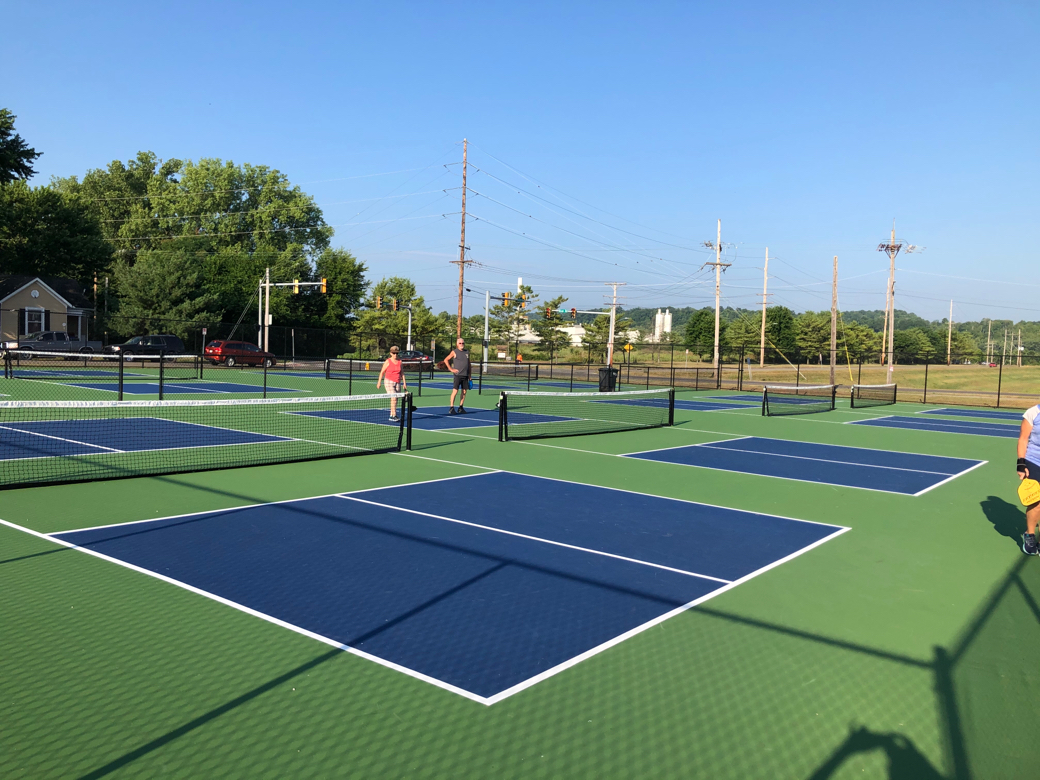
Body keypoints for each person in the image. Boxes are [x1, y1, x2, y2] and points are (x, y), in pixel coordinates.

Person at [1017, 404, 1040, 554]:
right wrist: (1021, 463)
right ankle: (1030, 535)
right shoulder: (1033, 412)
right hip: (1034, 461)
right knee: (1036, 503)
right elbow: (1023, 439)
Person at [376, 346, 407, 421]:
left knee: (396, 399)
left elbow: (402, 373)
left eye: (396, 353)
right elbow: (382, 372)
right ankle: (394, 415)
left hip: (397, 382)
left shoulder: (400, 362)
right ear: (390, 353)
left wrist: (404, 383)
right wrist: (379, 382)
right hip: (389, 381)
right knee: (393, 398)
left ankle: (391, 414)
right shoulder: (388, 361)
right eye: (394, 353)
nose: (395, 355)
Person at [444, 337, 471, 414]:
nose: (461, 344)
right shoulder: (454, 352)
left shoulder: (466, 352)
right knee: (455, 391)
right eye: (460, 343)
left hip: (465, 375)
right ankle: (451, 407)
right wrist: (451, 369)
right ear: (457, 344)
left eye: (463, 343)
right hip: (458, 375)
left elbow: (469, 364)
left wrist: (469, 375)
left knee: (464, 391)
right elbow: (446, 360)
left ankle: (461, 407)